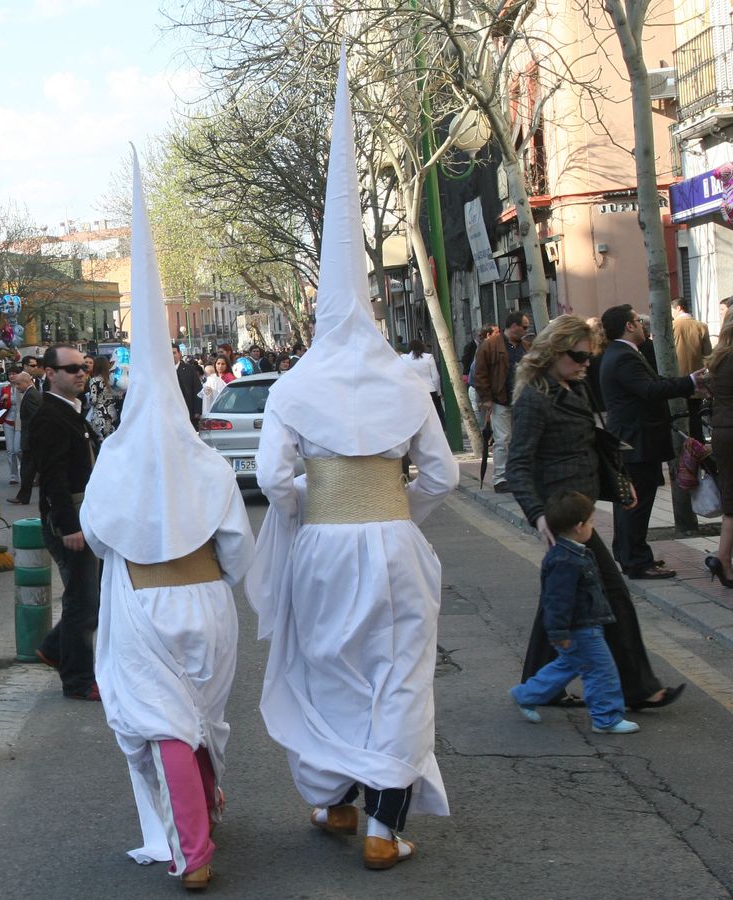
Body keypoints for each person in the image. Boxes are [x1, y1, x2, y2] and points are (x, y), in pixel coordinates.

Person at [246, 60, 459, 872]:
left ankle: (333, 800)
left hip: (324, 548)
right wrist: (392, 509)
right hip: (394, 546)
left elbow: (271, 482)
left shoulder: (296, 386)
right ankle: (383, 824)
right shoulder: (406, 381)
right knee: (397, 674)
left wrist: (317, 502)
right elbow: (437, 476)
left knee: (327, 666)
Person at [81, 156, 255, 889]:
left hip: (145, 605)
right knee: (202, 718)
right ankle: (206, 813)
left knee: (164, 726)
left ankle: (194, 851)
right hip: (207, 603)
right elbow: (237, 547)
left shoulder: (114, 465)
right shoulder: (210, 466)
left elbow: (96, 536)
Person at [504, 314, 684, 711]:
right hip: (563, 516)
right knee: (613, 596)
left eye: (589, 356)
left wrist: (621, 483)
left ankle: (541, 687)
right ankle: (637, 688)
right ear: (554, 352)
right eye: (579, 356)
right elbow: (517, 465)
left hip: (579, 510)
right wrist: (538, 516)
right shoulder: (535, 398)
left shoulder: (572, 387)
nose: (587, 363)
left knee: (561, 599)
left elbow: (591, 443)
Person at [510, 490, 640, 735]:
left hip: (584, 626)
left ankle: (525, 694)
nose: (593, 526)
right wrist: (559, 631)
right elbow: (557, 600)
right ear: (579, 527)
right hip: (581, 629)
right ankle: (606, 718)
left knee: (565, 668)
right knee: (603, 672)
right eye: (591, 522)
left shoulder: (572, 553)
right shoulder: (566, 561)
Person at [596, 304, 703, 580]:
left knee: (629, 501)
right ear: (629, 326)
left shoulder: (623, 353)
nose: (644, 326)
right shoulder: (622, 356)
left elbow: (652, 383)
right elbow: (650, 390)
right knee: (636, 502)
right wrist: (690, 381)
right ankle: (637, 561)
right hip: (637, 440)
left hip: (634, 438)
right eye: (638, 321)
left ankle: (628, 553)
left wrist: (685, 383)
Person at [28, 344, 101, 700]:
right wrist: (69, 526)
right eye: (71, 369)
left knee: (89, 598)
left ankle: (55, 648)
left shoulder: (71, 410)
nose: (80, 373)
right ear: (50, 373)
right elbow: (53, 477)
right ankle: (78, 680)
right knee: (83, 602)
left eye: (83, 367)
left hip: (85, 517)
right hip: (70, 522)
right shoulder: (50, 415)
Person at [474, 310, 533, 493]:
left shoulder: (525, 346)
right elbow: (480, 374)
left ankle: (516, 476)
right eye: (524, 327)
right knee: (503, 439)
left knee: (518, 440)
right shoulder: (490, 346)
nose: (526, 330)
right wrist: (487, 399)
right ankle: (500, 478)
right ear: (514, 326)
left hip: (521, 402)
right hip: (501, 401)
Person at [702, 312, 733, 587]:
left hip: (723, 431)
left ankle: (723, 558)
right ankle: (722, 558)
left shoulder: (719, 359)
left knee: (731, 498)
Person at [672, 297, 712, 441]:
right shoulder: (701, 326)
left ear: (678, 308)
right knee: (695, 414)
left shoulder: (671, 326)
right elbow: (708, 354)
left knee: (679, 414)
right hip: (697, 378)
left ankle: (684, 445)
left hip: (676, 379)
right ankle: (698, 445)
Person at [7, 362, 44, 505]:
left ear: (25, 382)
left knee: (28, 469)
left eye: (18, 385)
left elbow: (36, 417)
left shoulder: (30, 396)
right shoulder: (31, 394)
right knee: (29, 469)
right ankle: (23, 496)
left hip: (31, 439)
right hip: (31, 438)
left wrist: (33, 437)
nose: (17, 387)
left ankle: (24, 496)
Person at [0, 366, 22, 484]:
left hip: (20, 422)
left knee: (18, 449)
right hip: (8, 421)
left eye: (14, 374)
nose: (11, 376)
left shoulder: (22, 387)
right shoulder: (5, 389)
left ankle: (27, 470)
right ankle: (13, 476)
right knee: (10, 450)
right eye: (9, 374)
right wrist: (2, 400)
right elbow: (0, 407)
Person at [402, 338, 444, 423]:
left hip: (412, 392)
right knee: (434, 418)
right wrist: (438, 392)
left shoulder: (404, 359)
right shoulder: (429, 357)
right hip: (430, 390)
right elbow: (435, 377)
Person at [85, 354, 118, 440]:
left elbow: (93, 400)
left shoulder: (94, 380)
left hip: (100, 416)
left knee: (99, 443)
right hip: (112, 415)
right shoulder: (110, 380)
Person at [173, 346, 204, 427]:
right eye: (170, 353)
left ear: (179, 354)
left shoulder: (190, 369)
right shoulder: (163, 371)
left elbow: (197, 389)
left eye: (174, 353)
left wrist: (197, 411)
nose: (172, 355)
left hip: (188, 411)